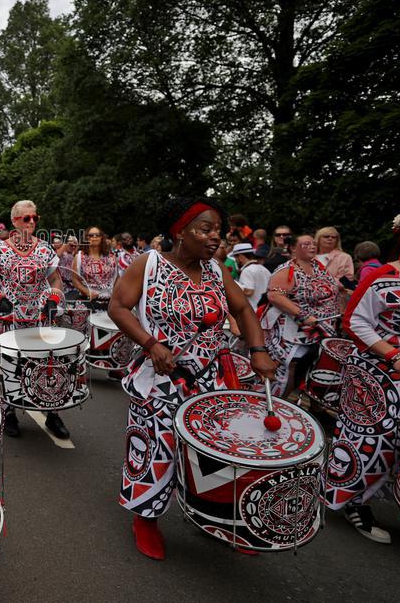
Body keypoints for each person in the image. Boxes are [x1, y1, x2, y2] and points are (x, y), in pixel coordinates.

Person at [108, 196, 276, 560]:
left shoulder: (216, 270)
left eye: (219, 230)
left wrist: (258, 350)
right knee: (159, 448)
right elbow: (118, 307)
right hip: (160, 379)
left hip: (210, 381)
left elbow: (243, 309)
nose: (216, 237)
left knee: (214, 455)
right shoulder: (149, 263)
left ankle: (216, 519)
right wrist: (151, 344)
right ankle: (145, 518)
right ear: (180, 232)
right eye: (206, 229)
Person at [324, 212, 400, 544]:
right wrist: (394, 356)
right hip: (374, 369)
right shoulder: (382, 276)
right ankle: (355, 503)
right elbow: (354, 320)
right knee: (375, 439)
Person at [0, 200, 66, 439]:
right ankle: (8, 412)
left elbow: (56, 279)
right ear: (14, 221)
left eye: (34, 218)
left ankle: (52, 413)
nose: (31, 222)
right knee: (6, 367)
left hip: (38, 319)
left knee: (47, 365)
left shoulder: (45, 249)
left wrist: (53, 298)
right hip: (8, 318)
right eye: (26, 218)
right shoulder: (0, 249)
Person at [261, 235, 341, 398]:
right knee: (289, 368)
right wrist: (303, 315)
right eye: (306, 244)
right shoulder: (287, 270)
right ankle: (275, 401)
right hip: (292, 329)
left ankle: (307, 404)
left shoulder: (318, 267)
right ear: (293, 248)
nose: (312, 246)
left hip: (319, 328)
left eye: (313, 244)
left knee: (312, 368)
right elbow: (275, 295)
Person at [232, 243, 271, 311]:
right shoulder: (264, 269)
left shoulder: (247, 270)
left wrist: (233, 283)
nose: (235, 260)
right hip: (264, 309)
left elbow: (248, 292)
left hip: (253, 310)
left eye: (236, 257)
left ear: (240, 256)